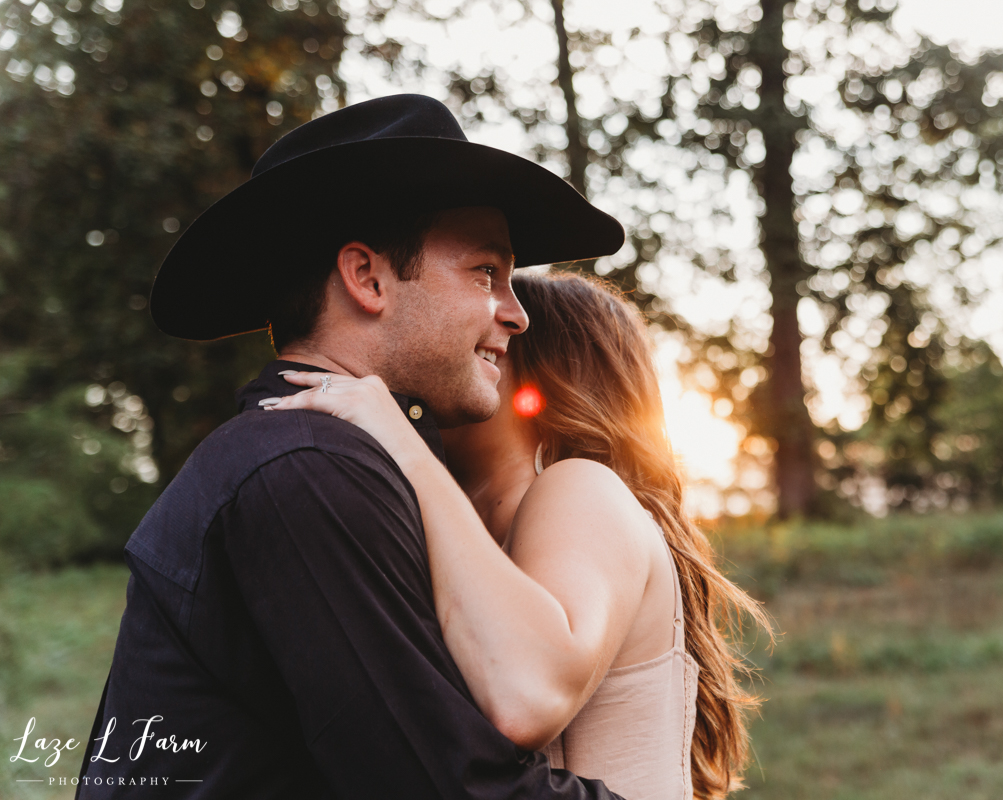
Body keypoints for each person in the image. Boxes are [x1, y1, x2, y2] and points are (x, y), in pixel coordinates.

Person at [76, 94, 629, 799]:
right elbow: (450, 788)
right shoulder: (305, 468)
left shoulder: (334, 457)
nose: (518, 314)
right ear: (367, 278)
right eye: (487, 273)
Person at [263, 272, 770, 800]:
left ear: (530, 374)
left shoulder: (582, 489)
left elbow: (525, 698)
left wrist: (398, 437)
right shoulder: (457, 517)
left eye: (490, 344)